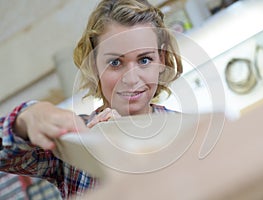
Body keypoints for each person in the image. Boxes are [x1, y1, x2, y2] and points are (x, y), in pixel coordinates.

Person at [0, 0, 182, 199]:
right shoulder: (74, 139)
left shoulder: (185, 133)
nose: (131, 78)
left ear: (161, 61)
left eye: (144, 60)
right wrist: (26, 117)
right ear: (95, 68)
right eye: (115, 63)